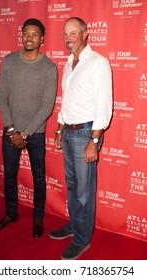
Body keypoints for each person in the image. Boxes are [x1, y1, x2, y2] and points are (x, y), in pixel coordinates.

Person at [49, 17, 112, 259]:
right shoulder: (68, 63)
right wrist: (59, 128)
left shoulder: (98, 63)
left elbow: (104, 105)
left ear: (86, 34)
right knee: (73, 187)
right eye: (66, 34)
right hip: (68, 132)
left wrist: (94, 141)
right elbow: (68, 99)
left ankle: (82, 239)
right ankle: (75, 225)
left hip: (86, 133)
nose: (68, 38)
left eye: (74, 33)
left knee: (84, 191)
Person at [0, 18, 58, 238]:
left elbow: (47, 106)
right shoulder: (9, 61)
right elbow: (1, 97)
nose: (29, 37)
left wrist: (25, 133)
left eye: (34, 34)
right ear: (22, 36)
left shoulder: (49, 67)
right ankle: (11, 213)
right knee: (9, 175)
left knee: (39, 177)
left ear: (42, 38)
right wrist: (11, 130)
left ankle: (38, 216)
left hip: (35, 134)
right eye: (25, 33)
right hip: (11, 132)